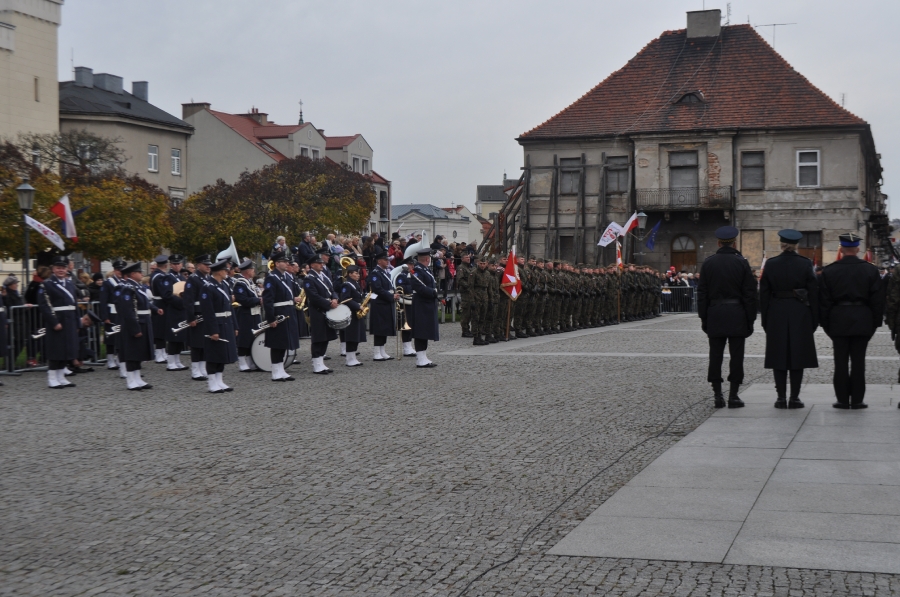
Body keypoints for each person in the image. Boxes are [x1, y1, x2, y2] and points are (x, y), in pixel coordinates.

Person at [819, 233, 885, 409]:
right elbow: (877, 301)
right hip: (862, 318)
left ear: (841, 249)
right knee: (858, 362)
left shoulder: (830, 270)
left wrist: (826, 324)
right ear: (857, 249)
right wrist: (874, 323)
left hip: (838, 318)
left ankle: (842, 399)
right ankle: (857, 400)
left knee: (840, 362)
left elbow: (824, 302)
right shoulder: (870, 270)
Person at [697, 226, 758, 408]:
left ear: (718, 243)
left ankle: (717, 395)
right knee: (737, 356)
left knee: (715, 356)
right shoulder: (741, 263)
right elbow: (750, 294)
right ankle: (733, 395)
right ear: (734, 243)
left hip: (715, 313)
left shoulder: (709, 263)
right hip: (737, 313)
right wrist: (750, 319)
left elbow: (702, 293)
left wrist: (704, 317)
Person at [759, 229, 819, 409]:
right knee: (797, 355)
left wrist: (765, 318)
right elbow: (814, 292)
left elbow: (764, 294)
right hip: (799, 311)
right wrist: (814, 318)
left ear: (782, 244)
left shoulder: (771, 264)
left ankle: (780, 398)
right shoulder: (805, 263)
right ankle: (794, 398)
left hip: (776, 311)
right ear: (796, 245)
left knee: (778, 355)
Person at [37, 256, 91, 388]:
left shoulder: (70, 284)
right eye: (58, 268)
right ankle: (52, 377)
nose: (61, 270)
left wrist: (78, 322)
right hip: (58, 320)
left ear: (67, 269)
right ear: (53, 269)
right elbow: (44, 305)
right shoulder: (47, 284)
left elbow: (74, 304)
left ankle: (61, 376)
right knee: (56, 350)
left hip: (70, 320)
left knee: (67, 349)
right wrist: (54, 322)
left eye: (63, 268)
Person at [115, 262, 158, 391]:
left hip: (143, 322)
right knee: (132, 353)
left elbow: (145, 304)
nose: (142, 274)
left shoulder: (138, 287)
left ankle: (137, 378)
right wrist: (134, 328)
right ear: (133, 274)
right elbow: (128, 311)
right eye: (139, 272)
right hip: (135, 324)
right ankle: (131, 380)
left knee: (139, 353)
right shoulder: (128, 288)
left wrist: (155, 309)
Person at [199, 259, 239, 393]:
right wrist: (213, 330)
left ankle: (219, 380)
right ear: (219, 272)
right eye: (225, 270)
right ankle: (212, 382)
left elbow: (230, 307)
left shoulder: (224, 285)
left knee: (223, 353)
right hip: (216, 323)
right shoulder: (207, 287)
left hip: (227, 323)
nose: (227, 272)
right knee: (213, 354)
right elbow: (208, 311)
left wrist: (235, 326)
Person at [261, 251, 300, 381]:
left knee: (284, 343)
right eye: (284, 261)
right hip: (278, 313)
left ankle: (281, 370)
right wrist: (271, 318)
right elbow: (268, 300)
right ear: (277, 264)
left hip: (288, 312)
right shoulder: (272, 278)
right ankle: (275, 371)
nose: (287, 263)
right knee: (277, 344)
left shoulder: (286, 277)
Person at [303, 253, 338, 374]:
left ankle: (321, 362)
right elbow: (314, 297)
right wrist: (329, 303)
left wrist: (335, 298)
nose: (321, 265)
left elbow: (332, 290)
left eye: (322, 263)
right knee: (318, 337)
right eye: (319, 263)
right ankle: (316, 364)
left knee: (326, 337)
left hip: (328, 308)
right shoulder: (309, 278)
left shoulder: (324, 277)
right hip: (318, 310)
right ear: (312, 265)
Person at [183, 254, 213, 381]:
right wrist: (191, 317)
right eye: (205, 264)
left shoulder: (208, 278)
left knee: (204, 342)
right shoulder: (193, 279)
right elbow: (188, 300)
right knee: (196, 344)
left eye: (209, 264)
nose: (208, 266)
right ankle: (195, 370)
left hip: (206, 314)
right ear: (198, 265)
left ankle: (202, 368)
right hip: (197, 314)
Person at [409, 247, 439, 367]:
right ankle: (420, 359)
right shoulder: (417, 271)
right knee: (421, 331)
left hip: (427, 303)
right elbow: (418, 287)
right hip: (421, 304)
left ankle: (423, 356)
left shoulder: (426, 269)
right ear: (427, 259)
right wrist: (432, 292)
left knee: (426, 331)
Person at [367, 247, 397, 361]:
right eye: (385, 260)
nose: (387, 261)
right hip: (379, 303)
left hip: (386, 302)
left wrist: (394, 294)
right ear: (379, 261)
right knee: (379, 328)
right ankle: (376, 352)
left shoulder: (385, 272)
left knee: (385, 328)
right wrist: (391, 296)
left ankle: (382, 350)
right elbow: (377, 288)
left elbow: (388, 287)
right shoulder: (375, 273)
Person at [233, 259, 262, 372]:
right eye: (252, 269)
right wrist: (258, 300)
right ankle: (242, 361)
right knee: (244, 338)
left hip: (254, 313)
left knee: (252, 338)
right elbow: (242, 299)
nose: (254, 271)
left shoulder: (249, 282)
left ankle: (251, 361)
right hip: (245, 314)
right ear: (247, 271)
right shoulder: (240, 283)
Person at [98, 261, 126, 374]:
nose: (120, 272)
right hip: (111, 312)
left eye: (122, 270)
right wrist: (105, 316)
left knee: (121, 336)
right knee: (111, 337)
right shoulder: (108, 283)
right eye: (118, 270)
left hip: (121, 312)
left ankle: (119, 359)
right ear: (114, 270)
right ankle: (110, 360)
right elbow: (103, 301)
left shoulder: (124, 282)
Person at [339, 265, 367, 367]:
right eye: (356, 273)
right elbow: (345, 299)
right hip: (351, 312)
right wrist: (358, 306)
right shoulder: (347, 285)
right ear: (350, 274)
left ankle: (353, 357)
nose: (358, 275)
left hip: (356, 312)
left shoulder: (356, 284)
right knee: (351, 335)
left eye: (358, 273)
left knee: (357, 335)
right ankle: (349, 358)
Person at [149, 255, 171, 363]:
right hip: (161, 303)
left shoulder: (155, 275)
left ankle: (162, 352)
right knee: (160, 330)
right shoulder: (160, 277)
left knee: (162, 329)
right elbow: (164, 293)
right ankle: (159, 353)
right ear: (166, 265)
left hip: (158, 302)